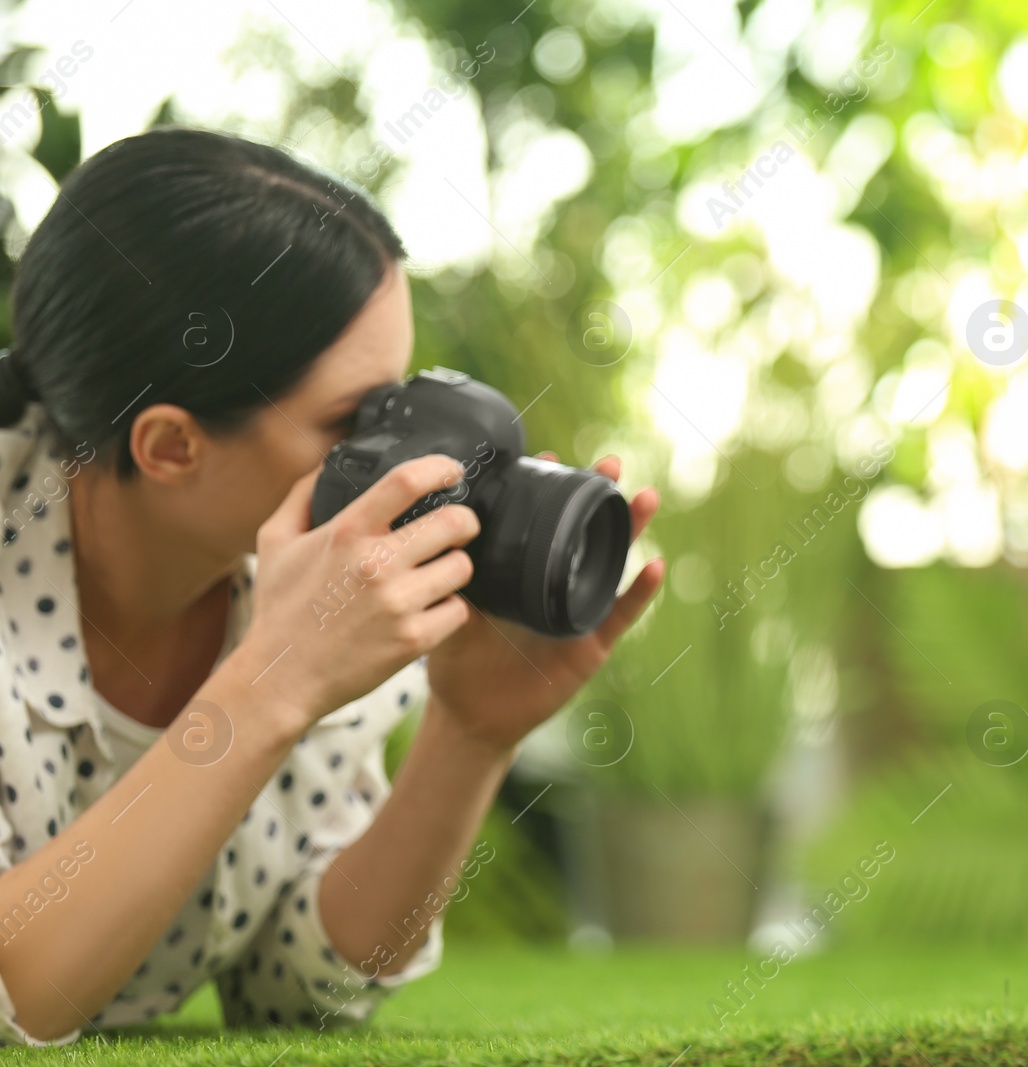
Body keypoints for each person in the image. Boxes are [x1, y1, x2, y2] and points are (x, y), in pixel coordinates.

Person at [0, 125, 664, 1044]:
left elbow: (295, 992)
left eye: (409, 394)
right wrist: (270, 685)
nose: (417, 455)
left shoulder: (308, 580)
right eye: (361, 420)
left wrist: (468, 733)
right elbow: (14, 986)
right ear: (170, 446)